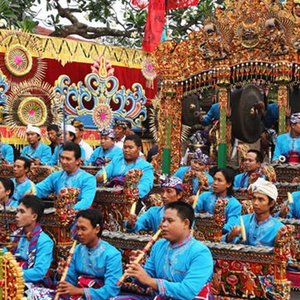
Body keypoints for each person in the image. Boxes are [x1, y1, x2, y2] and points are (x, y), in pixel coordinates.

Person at [116, 201, 214, 300]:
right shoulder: (159, 245)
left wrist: (150, 281)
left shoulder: (201, 253)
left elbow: (187, 292)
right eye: (163, 220)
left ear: (186, 223)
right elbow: (145, 282)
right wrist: (138, 269)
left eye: (170, 221)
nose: (164, 225)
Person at [56, 209, 122, 299]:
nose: (79, 233)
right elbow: (70, 282)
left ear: (97, 229)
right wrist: (62, 274)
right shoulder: (77, 250)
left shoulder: (112, 254)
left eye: (83, 229)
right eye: (77, 228)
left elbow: (111, 290)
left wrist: (80, 291)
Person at [36, 142, 96, 210]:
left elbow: (86, 202)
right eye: (62, 158)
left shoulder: (88, 179)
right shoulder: (56, 176)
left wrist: (68, 212)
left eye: (68, 159)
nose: (64, 161)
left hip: (79, 217)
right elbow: (38, 190)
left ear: (78, 161)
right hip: (59, 215)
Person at [96, 135, 154, 205]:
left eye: (130, 148)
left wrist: (131, 193)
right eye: (125, 147)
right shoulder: (116, 160)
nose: (126, 150)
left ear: (139, 149)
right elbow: (105, 171)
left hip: (133, 200)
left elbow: (145, 185)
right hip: (112, 196)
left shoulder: (146, 166)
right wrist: (100, 176)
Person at [225, 178, 284, 246]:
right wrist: (231, 235)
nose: (255, 203)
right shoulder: (242, 220)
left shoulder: (278, 228)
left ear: (271, 203)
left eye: (261, 199)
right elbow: (223, 243)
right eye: (254, 198)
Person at [11, 195, 54, 283]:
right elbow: (4, 256)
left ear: (34, 216)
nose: (17, 215)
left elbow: (39, 272)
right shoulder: (15, 235)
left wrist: (12, 274)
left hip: (33, 284)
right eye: (17, 211)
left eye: (22, 212)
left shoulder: (45, 241)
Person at [195, 167, 242, 234]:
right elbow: (193, 210)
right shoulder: (204, 196)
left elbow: (231, 225)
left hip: (221, 236)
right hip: (200, 233)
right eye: (214, 179)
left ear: (228, 184)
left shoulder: (234, 205)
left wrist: (214, 231)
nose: (215, 183)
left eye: (219, 180)